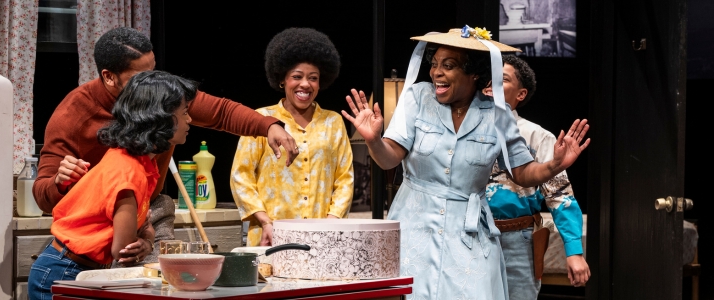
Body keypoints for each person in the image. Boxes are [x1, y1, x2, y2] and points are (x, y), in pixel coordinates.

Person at [342, 27, 590, 299]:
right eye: (434, 64)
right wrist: (374, 140)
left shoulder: (498, 113)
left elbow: (522, 172)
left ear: (475, 74)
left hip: (469, 235)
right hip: (415, 227)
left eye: (448, 66)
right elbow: (389, 157)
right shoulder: (418, 98)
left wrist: (553, 166)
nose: (437, 72)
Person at [33, 27, 299, 265]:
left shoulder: (160, 95)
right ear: (109, 77)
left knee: (157, 283)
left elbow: (221, 111)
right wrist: (59, 181)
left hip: (147, 206)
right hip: (99, 218)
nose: (152, 80)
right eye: (141, 75)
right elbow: (42, 194)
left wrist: (269, 126)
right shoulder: (74, 115)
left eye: (154, 70)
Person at [28, 71, 197, 299]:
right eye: (184, 113)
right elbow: (124, 249)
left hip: (77, 268)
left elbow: (141, 230)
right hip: (64, 271)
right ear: (160, 117)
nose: (190, 120)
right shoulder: (128, 170)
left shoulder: (136, 161)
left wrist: (146, 240)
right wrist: (145, 240)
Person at [231, 28, 354, 246]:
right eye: (297, 76)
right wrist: (265, 221)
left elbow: (344, 179)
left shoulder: (333, 122)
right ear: (282, 80)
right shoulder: (261, 119)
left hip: (322, 239)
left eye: (313, 78)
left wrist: (331, 223)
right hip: (271, 238)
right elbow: (241, 177)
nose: (305, 84)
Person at [484, 55, 590, 298]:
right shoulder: (464, 129)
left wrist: (574, 251)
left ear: (520, 94)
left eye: (503, 80)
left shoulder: (536, 136)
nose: (492, 84)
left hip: (516, 240)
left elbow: (559, 194)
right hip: (471, 236)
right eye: (490, 79)